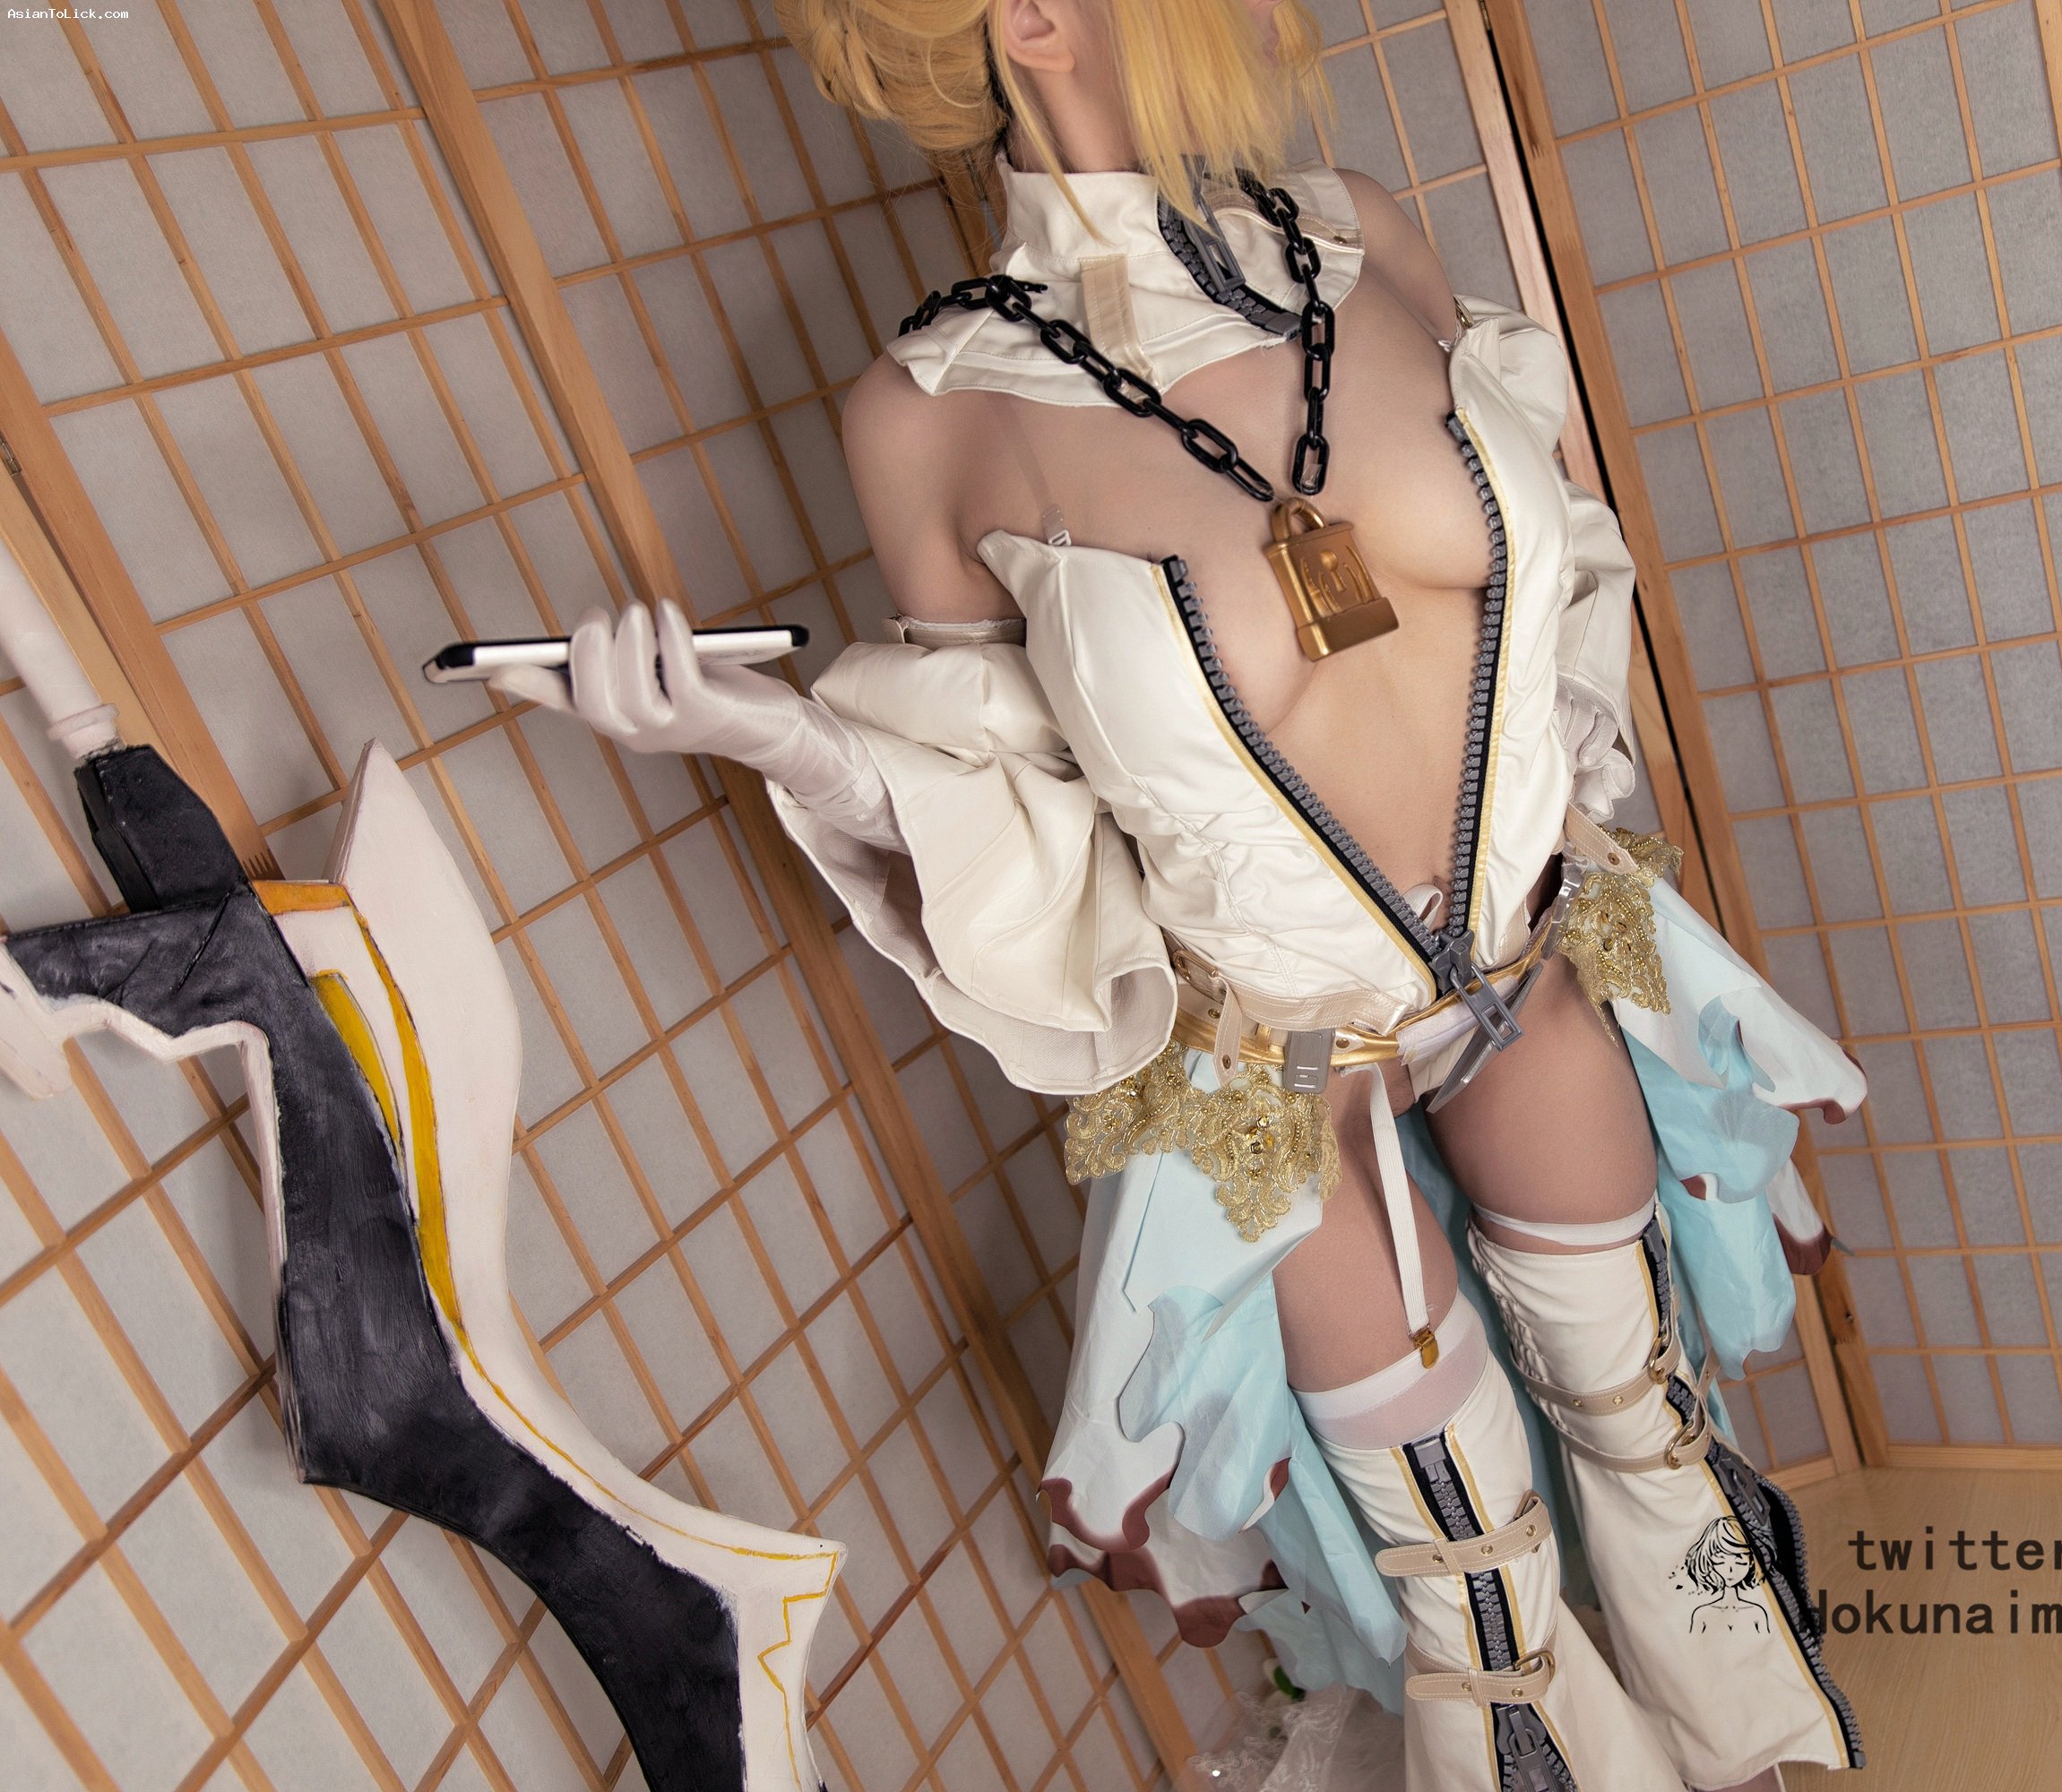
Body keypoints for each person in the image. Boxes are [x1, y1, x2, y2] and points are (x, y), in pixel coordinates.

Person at [493, 0, 1865, 1782]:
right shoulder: (932, 415)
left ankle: (1760, 1750)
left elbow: (1562, 577)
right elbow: (1013, 806)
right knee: (1474, 1584)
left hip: (1529, 963)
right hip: (1273, 1082)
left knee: (1647, 1437)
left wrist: (1572, 803)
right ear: (1031, 16)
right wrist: (783, 740)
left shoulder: (1364, 234)